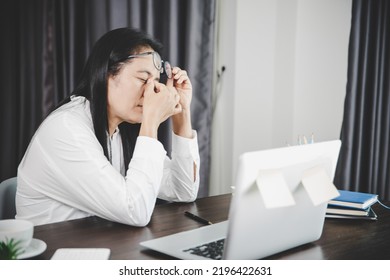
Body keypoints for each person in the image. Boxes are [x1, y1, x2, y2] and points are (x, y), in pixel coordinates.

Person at [16, 28, 200, 226]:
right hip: (53, 253)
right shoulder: (66, 129)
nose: (151, 92)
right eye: (142, 79)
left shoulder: (121, 130)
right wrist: (151, 121)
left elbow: (183, 191)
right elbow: (136, 212)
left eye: (155, 82)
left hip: (101, 247)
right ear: (106, 75)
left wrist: (181, 111)